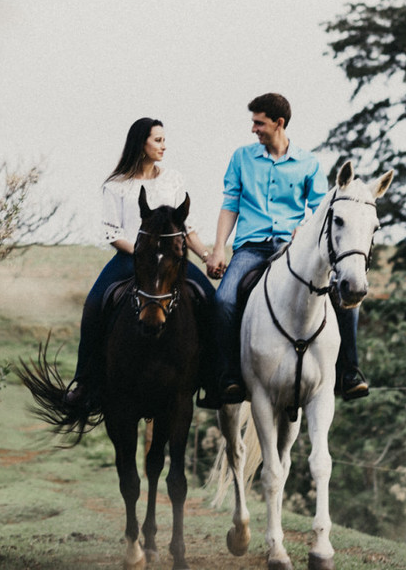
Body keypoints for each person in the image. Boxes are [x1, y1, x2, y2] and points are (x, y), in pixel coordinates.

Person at [206, 93, 368, 406]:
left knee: (345, 299)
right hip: (251, 248)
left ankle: (349, 372)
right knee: (223, 300)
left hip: (292, 249)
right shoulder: (242, 158)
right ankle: (228, 377)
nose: (253, 129)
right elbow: (230, 205)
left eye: (259, 123)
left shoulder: (308, 163)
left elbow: (321, 209)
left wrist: (303, 226)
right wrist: (218, 249)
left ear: (279, 123)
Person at [64, 117, 217, 408]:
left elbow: (188, 228)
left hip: (171, 261)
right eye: (157, 140)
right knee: (94, 304)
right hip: (131, 258)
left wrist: (206, 256)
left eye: (163, 139)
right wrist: (142, 255)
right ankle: (84, 381)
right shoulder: (116, 186)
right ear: (141, 143)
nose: (164, 145)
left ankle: (213, 376)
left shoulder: (173, 180)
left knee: (212, 300)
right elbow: (112, 233)